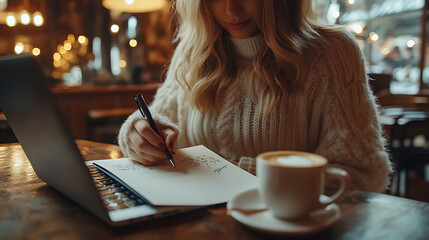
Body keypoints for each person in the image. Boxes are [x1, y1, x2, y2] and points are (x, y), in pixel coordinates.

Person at [118, 0, 392, 192]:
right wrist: (138, 133)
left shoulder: (331, 52)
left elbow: (362, 174)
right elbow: (158, 117)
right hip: (199, 223)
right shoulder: (192, 51)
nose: (231, 9)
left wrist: (243, 171)